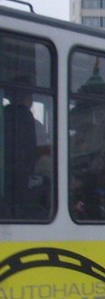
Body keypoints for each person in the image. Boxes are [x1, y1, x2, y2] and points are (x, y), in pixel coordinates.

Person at [1, 83, 48, 219]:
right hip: (25, 182)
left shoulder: (4, 117)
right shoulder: (32, 123)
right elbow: (44, 154)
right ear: (29, 99)